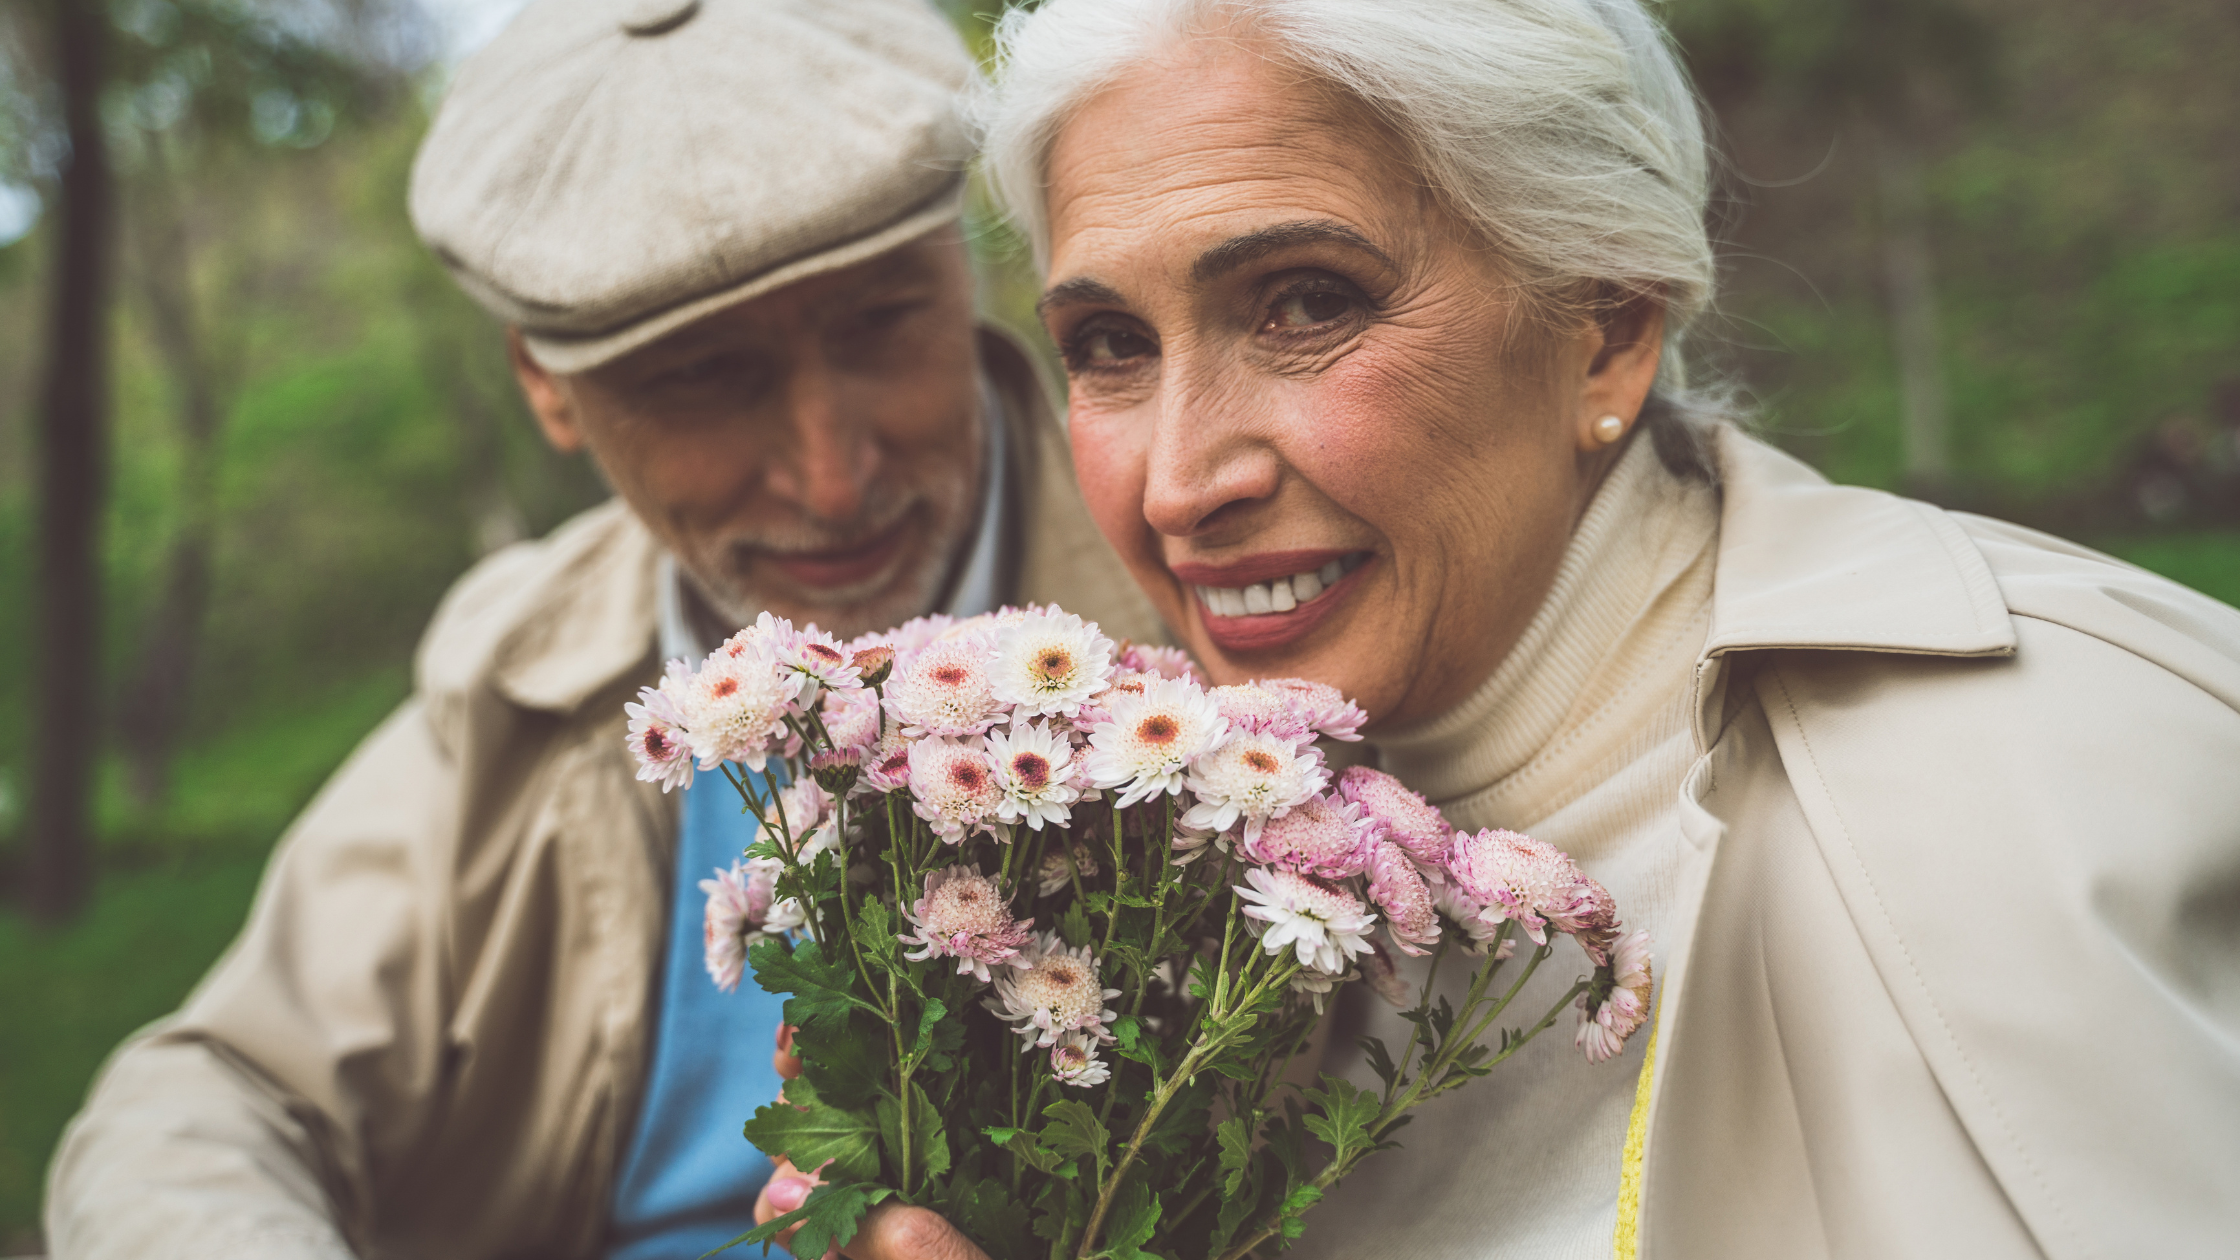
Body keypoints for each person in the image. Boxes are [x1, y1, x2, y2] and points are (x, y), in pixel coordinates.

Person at [753, 0, 2240, 1257]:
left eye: (1302, 306)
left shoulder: (2027, 786)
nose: (1179, 480)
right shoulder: (1114, 880)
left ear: (1604, 322)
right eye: (1111, 347)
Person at [42, 2, 1161, 1258]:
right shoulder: (528, 665)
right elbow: (209, 1100)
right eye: (703, 379)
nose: (831, 475)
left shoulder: (1210, 592)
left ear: (968, 268)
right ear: (544, 388)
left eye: (878, 324)